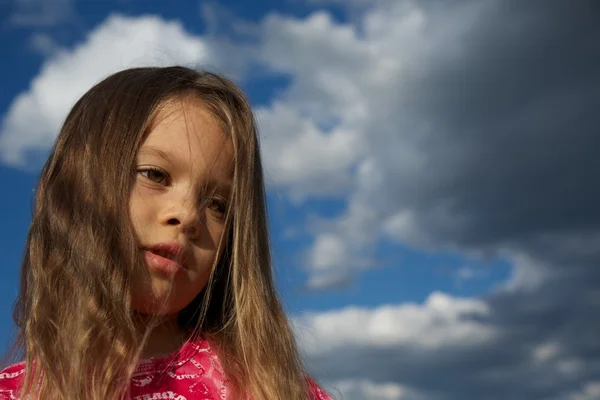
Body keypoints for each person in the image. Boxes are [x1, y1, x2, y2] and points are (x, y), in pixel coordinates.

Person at [0, 66, 333, 400]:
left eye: (218, 205)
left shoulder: (275, 390)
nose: (188, 216)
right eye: (155, 175)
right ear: (78, 188)